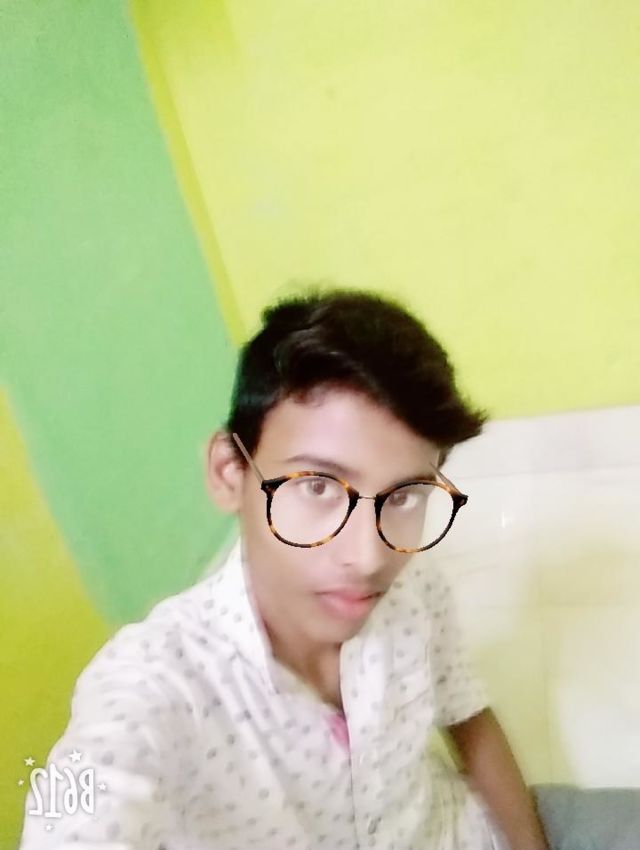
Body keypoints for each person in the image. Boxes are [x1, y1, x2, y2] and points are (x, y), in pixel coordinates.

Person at [20, 287, 549, 850]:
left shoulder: (416, 589)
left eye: (404, 496)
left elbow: (467, 712)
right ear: (229, 472)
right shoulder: (157, 681)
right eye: (318, 486)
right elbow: (77, 801)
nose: (369, 557)